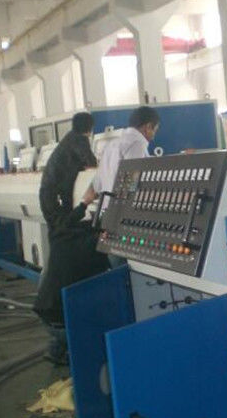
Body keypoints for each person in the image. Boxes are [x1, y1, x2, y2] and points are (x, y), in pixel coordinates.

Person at [34, 112, 109, 365]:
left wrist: (83, 204)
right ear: (90, 128)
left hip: (45, 311)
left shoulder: (61, 237)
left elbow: (67, 225)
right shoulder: (79, 140)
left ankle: (57, 347)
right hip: (57, 201)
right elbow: (91, 162)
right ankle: (72, 347)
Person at [89, 106, 160, 268]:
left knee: (116, 266)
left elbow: (97, 184)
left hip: (107, 214)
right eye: (154, 130)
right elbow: (130, 183)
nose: (154, 135)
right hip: (123, 217)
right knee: (129, 268)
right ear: (148, 126)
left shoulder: (113, 144)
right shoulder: (137, 143)